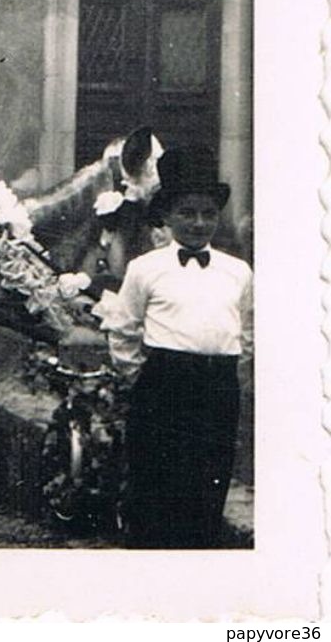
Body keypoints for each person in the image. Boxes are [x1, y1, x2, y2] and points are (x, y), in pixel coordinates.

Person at [97, 145, 253, 548]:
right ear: (165, 216)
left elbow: (248, 330)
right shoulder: (145, 269)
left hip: (218, 387)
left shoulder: (237, 272)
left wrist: (232, 373)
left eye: (208, 214)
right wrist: (141, 377)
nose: (199, 223)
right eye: (187, 213)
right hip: (164, 384)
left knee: (208, 482)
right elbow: (124, 330)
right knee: (155, 486)